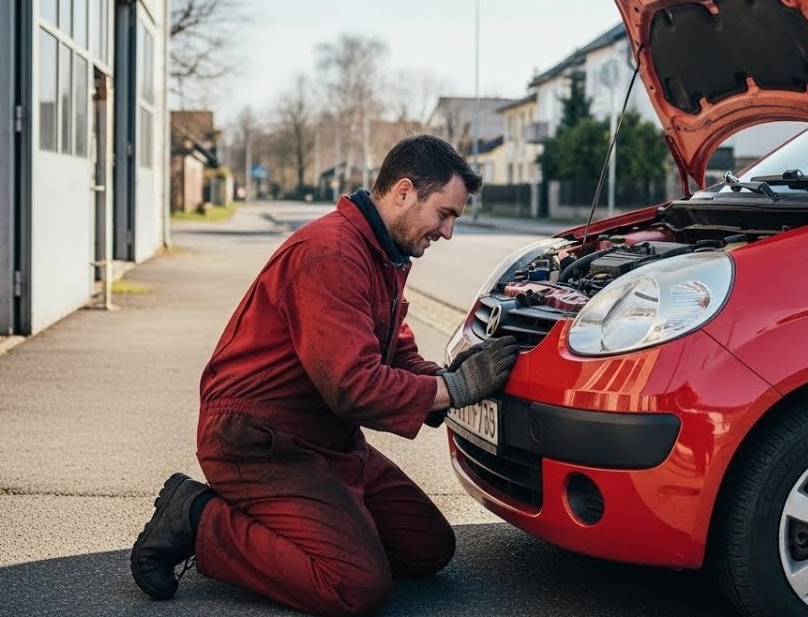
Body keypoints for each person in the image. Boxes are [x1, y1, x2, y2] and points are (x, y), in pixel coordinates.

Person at [129, 134, 520, 615]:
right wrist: (454, 390)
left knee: (427, 548)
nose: (448, 232)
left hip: (326, 439)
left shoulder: (383, 254)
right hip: (258, 440)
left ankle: (326, 526)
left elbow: (395, 350)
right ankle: (196, 517)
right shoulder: (331, 253)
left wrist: (443, 377)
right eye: (445, 214)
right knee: (355, 586)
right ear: (403, 192)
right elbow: (353, 387)